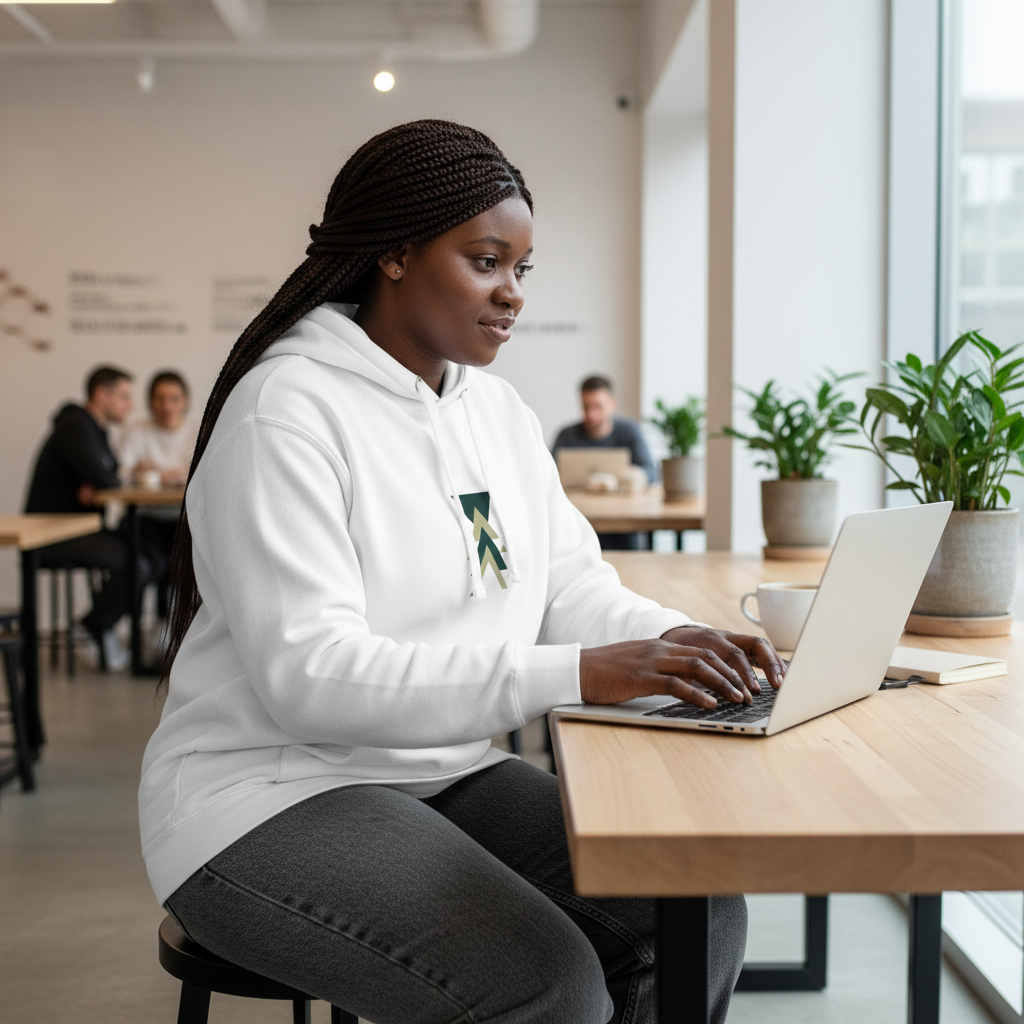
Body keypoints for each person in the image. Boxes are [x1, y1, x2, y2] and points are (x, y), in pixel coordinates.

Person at [141, 120, 785, 1024]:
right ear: (396, 254)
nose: (511, 293)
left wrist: (677, 645)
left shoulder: (497, 411)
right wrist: (583, 673)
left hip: (437, 772)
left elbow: (569, 588)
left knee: (696, 910)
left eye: (522, 269)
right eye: (486, 261)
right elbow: (312, 677)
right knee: (546, 981)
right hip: (266, 794)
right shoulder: (286, 412)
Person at [24, 365, 151, 670]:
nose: (129, 405)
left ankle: (100, 628)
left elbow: (107, 476)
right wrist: (104, 480)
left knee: (154, 557)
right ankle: (93, 627)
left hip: (81, 527)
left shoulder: (95, 430)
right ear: (101, 395)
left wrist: (104, 480)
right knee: (138, 564)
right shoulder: (76, 426)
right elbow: (106, 478)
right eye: (123, 396)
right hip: (52, 532)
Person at [117, 371, 199, 619]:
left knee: (182, 566)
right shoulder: (136, 432)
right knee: (143, 563)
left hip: (184, 519)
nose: (167, 406)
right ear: (150, 401)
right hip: (145, 516)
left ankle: (168, 626)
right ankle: (139, 628)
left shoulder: (197, 432)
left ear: (184, 401)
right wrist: (137, 471)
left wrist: (173, 475)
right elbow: (118, 474)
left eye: (174, 399)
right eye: (160, 399)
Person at [552, 376, 658, 550]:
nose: (591, 414)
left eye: (598, 407)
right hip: (578, 521)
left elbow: (651, 472)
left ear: (612, 404)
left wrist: (636, 475)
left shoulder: (629, 431)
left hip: (623, 522)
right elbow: (547, 476)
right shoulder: (566, 436)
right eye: (586, 407)